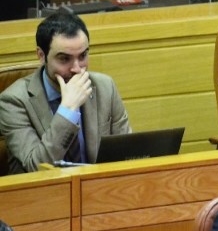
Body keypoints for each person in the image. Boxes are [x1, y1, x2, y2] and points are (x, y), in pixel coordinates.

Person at [0, 12, 131, 174]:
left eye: (82, 56)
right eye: (64, 59)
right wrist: (68, 110)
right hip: (45, 194)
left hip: (99, 192)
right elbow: (37, 167)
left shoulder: (105, 87)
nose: (77, 69)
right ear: (41, 56)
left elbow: (127, 154)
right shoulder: (13, 101)